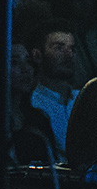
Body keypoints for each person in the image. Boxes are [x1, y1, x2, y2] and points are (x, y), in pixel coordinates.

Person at [28, 23, 82, 161]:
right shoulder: (31, 103)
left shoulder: (84, 98)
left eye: (72, 48)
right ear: (37, 55)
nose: (68, 54)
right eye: (59, 47)